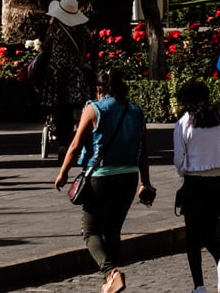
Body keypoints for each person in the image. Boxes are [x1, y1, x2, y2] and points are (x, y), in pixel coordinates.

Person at [55, 64, 154, 293]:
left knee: (90, 231)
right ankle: (110, 282)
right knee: (113, 230)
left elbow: (75, 145)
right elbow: (143, 152)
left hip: (101, 178)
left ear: (100, 88)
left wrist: (63, 172)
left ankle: (111, 273)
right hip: (129, 177)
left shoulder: (94, 109)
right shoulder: (136, 111)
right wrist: (145, 182)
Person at [173, 78, 220, 293]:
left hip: (195, 182)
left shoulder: (184, 123)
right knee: (209, 231)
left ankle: (199, 286)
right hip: (219, 181)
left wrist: (186, 171)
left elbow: (179, 160)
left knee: (192, 238)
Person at [42, 0, 93, 152]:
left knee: (58, 107)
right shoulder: (82, 30)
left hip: (56, 74)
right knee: (71, 108)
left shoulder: (54, 29)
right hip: (74, 74)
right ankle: (71, 138)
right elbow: (91, 46)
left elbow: (46, 49)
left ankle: (62, 143)